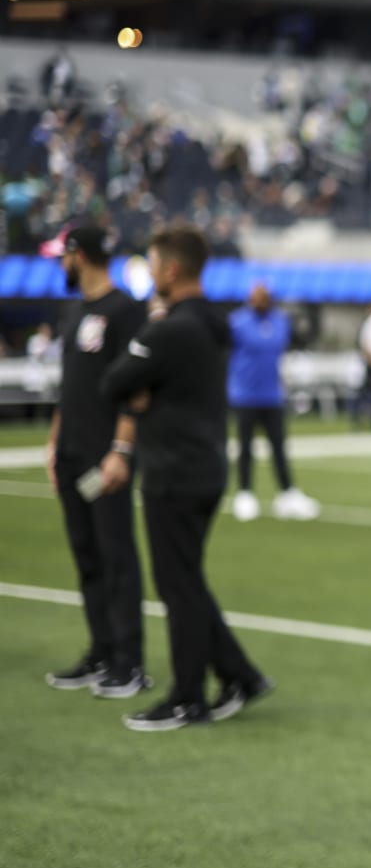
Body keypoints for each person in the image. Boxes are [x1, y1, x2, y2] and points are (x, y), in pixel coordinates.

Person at [100, 226, 274, 731]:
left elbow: (112, 384)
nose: (150, 273)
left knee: (178, 586)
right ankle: (240, 675)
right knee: (187, 580)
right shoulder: (213, 323)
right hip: (204, 465)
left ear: (172, 270)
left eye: (152, 263)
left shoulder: (171, 328)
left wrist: (142, 389)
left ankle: (187, 697)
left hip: (173, 471)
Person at [44, 225, 151, 699]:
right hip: (71, 453)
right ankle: (101, 651)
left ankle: (130, 662)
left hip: (103, 456)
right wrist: (53, 444)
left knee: (116, 558)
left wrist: (120, 450)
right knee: (87, 556)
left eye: (62, 256)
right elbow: (70, 388)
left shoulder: (125, 311)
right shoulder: (75, 312)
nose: (58, 265)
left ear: (79, 255)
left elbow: (137, 390)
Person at [228, 282, 319, 522]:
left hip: (272, 394)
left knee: (278, 446)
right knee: (245, 447)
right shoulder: (237, 322)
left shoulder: (280, 321)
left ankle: (287, 492)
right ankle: (245, 493)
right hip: (245, 394)